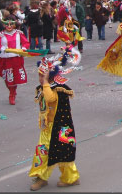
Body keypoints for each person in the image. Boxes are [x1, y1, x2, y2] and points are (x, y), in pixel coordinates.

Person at [29, 46, 82, 191]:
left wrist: (45, 82)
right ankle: (41, 177)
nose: (40, 79)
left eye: (43, 76)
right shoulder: (43, 87)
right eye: (39, 76)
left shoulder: (58, 88)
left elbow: (50, 98)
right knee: (42, 152)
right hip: (47, 127)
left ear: (51, 76)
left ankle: (71, 178)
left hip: (60, 128)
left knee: (64, 154)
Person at [0, 15, 30, 105]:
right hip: (5, 58)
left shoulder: (19, 33)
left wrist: (23, 49)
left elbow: (25, 42)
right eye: (7, 24)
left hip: (16, 58)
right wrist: (2, 48)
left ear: (14, 24)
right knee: (7, 77)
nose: (9, 27)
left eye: (11, 24)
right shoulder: (1, 34)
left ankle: (12, 94)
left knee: (15, 77)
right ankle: (11, 90)